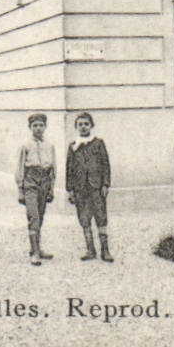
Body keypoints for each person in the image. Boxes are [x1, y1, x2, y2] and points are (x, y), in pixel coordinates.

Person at [65, 111, 113, 262]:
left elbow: (105, 165)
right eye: (80, 125)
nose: (83, 127)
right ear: (76, 127)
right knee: (84, 218)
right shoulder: (73, 147)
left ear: (91, 126)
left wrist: (105, 184)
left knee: (101, 217)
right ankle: (90, 249)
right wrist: (70, 189)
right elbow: (69, 169)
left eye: (86, 124)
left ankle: (105, 250)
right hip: (80, 188)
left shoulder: (98, 143)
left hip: (96, 187)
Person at [14, 113, 55, 265]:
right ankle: (35, 253)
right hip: (30, 181)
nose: (38, 128)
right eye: (35, 125)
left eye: (41, 125)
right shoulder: (25, 145)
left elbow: (53, 167)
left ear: (45, 127)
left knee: (41, 216)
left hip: (44, 181)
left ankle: (37, 248)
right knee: (34, 216)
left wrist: (51, 187)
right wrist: (20, 189)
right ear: (30, 127)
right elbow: (19, 167)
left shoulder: (49, 145)